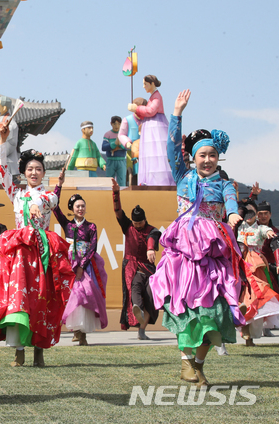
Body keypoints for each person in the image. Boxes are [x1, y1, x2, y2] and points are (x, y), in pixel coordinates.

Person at [149, 89, 245, 388]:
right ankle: (186, 364)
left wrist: (231, 215)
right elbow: (170, 150)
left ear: (218, 158)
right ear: (193, 157)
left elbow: (231, 203)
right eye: (202, 155)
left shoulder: (225, 183)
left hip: (213, 252)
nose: (207, 160)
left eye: (212, 155)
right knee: (187, 310)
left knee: (214, 312)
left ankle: (198, 364)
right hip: (184, 252)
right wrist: (176, 113)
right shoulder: (183, 176)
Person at [0, 124, 74, 366]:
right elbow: (1, 169)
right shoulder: (16, 194)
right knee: (17, 299)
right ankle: (18, 353)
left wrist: (37, 206)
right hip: (19, 253)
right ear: (24, 171)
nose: (33, 172)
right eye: (30, 168)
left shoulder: (49, 196)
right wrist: (2, 141)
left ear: (43, 173)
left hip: (41, 252)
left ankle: (38, 353)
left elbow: (49, 201)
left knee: (41, 298)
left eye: (38, 169)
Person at [53, 191, 108, 345]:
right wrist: (59, 185)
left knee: (85, 295)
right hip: (69, 264)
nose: (80, 209)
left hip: (86, 265)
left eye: (83, 206)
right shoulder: (68, 224)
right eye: (77, 206)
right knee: (73, 296)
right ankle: (76, 330)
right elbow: (54, 207)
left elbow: (93, 247)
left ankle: (82, 333)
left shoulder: (91, 226)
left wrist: (82, 267)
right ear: (72, 209)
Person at [112, 179, 161, 340]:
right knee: (135, 289)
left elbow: (153, 238)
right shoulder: (128, 227)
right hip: (132, 268)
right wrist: (116, 193)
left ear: (144, 220)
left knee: (150, 296)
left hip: (148, 269)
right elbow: (118, 211)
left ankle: (142, 329)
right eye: (135, 222)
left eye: (140, 222)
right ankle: (137, 310)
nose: (138, 225)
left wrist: (150, 248)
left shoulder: (152, 230)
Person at [236, 200, 279, 345]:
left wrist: (269, 232)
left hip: (255, 266)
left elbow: (266, 231)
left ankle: (250, 334)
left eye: (252, 212)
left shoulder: (260, 228)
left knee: (256, 297)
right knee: (239, 294)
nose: (249, 215)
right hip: (238, 265)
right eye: (246, 212)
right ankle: (242, 324)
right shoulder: (236, 227)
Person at [127, 75, 174, 186]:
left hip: (156, 126)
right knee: (150, 153)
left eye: (145, 84)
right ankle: (149, 180)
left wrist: (136, 108)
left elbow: (151, 111)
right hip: (151, 126)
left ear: (152, 83)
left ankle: (160, 180)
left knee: (157, 152)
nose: (144, 86)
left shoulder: (157, 96)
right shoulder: (153, 97)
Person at [103, 116, 128, 186]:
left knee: (122, 180)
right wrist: (114, 144)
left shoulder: (124, 134)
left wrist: (120, 145)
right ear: (111, 124)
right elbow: (104, 147)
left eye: (118, 124)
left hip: (121, 160)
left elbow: (128, 147)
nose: (116, 126)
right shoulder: (107, 134)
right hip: (111, 160)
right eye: (114, 124)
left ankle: (122, 195)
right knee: (109, 181)